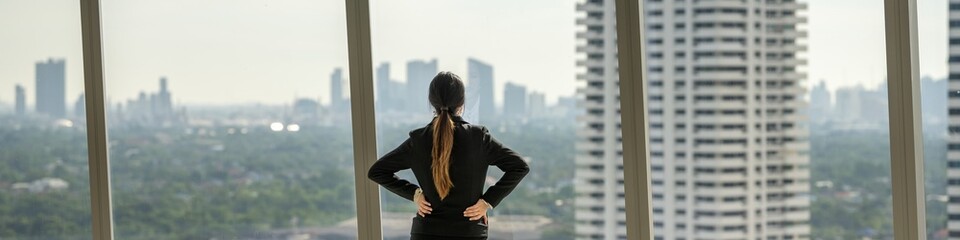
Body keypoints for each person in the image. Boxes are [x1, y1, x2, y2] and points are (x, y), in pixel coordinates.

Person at [368, 71, 530, 240]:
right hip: (469, 233)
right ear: (462, 102)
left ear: (432, 102)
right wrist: (487, 201)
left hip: (425, 232)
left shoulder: (418, 140)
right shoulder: (478, 137)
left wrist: (415, 194)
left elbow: (377, 171)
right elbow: (519, 167)